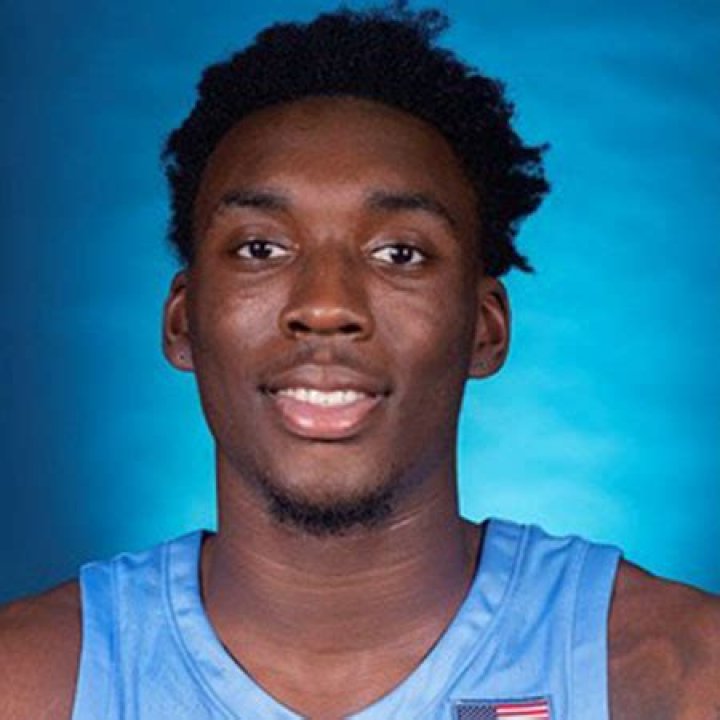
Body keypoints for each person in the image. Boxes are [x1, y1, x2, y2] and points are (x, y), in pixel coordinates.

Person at [1, 3, 718, 719]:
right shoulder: (27, 683)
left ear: (486, 330)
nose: (325, 306)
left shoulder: (677, 676)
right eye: (261, 248)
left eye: (399, 253)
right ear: (182, 321)